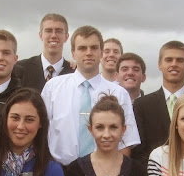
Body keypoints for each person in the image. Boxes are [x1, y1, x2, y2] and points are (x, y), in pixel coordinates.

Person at [41, 25, 140, 166]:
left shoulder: (119, 93)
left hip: (106, 170)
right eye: (82, 48)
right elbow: (41, 131)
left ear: (101, 53)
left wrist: (119, 173)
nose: (88, 53)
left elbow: (126, 141)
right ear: (73, 53)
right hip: (60, 170)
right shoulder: (53, 87)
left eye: (94, 48)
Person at [131, 41, 184, 167]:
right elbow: (138, 150)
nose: (174, 64)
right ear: (160, 65)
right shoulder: (142, 105)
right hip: (153, 174)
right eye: (168, 60)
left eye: (180, 60)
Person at [17, 14, 74, 91]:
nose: (53, 35)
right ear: (41, 35)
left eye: (58, 31)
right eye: (48, 31)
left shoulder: (74, 72)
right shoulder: (21, 69)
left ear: (66, 37)